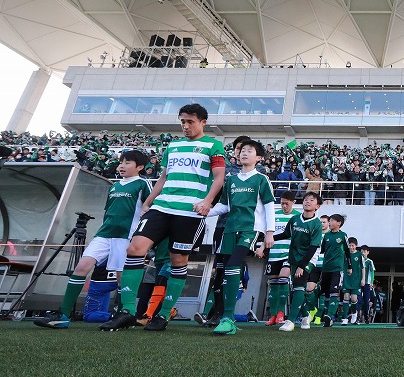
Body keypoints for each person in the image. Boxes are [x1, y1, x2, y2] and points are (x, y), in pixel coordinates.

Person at [100, 103, 226, 332]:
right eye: (182, 122)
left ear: (203, 122)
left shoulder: (214, 145)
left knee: (178, 261)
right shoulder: (173, 146)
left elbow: (219, 178)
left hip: (189, 212)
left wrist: (207, 202)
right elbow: (163, 178)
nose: (185, 126)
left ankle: (165, 313)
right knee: (135, 249)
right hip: (162, 207)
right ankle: (127, 311)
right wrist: (148, 202)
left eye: (190, 122)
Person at [34, 150, 152, 329]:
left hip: (126, 236)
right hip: (104, 234)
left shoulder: (142, 184)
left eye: (127, 163)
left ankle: (123, 315)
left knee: (121, 277)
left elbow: (149, 209)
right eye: (121, 162)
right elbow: (108, 211)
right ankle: (64, 314)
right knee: (82, 267)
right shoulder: (114, 186)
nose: (122, 166)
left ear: (140, 167)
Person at [204, 139, 275, 335]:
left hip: (250, 229)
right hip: (229, 229)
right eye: (242, 150)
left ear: (259, 157)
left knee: (235, 264)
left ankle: (227, 318)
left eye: (249, 151)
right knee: (227, 271)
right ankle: (228, 317)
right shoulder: (231, 181)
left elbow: (269, 205)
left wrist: (269, 232)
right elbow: (224, 206)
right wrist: (204, 210)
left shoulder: (261, 179)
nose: (244, 153)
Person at [271, 191, 323, 332]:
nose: (307, 202)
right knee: (297, 288)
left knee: (299, 286)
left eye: (311, 200)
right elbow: (286, 234)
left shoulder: (316, 224)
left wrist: (302, 265)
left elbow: (313, 247)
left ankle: (291, 321)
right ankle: (306, 315)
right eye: (306, 199)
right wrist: (269, 239)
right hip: (293, 257)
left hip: (308, 259)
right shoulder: (294, 219)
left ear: (317, 206)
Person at [257, 190, 300, 326]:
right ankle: (274, 315)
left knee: (283, 279)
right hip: (273, 255)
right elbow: (267, 234)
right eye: (282, 203)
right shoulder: (274, 216)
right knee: (273, 283)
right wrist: (262, 248)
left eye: (286, 204)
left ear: (293, 202)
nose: (284, 206)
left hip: (288, 254)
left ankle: (282, 312)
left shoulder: (297, 217)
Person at [319, 213, 352, 327]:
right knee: (326, 293)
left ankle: (330, 315)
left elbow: (348, 252)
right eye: (330, 220)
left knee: (334, 291)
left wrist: (349, 266)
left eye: (332, 220)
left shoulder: (343, 236)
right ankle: (329, 317)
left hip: (337, 269)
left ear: (339, 223)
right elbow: (321, 250)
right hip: (325, 268)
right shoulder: (326, 236)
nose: (330, 222)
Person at [341, 237, 365, 325]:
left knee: (354, 298)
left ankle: (354, 314)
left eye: (353, 246)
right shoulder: (345, 254)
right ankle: (344, 318)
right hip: (346, 279)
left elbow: (363, 268)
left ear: (356, 246)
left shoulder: (359, 255)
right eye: (349, 245)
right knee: (346, 297)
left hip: (356, 280)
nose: (351, 247)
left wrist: (363, 279)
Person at [360, 245, 375, 324]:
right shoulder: (358, 260)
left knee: (366, 301)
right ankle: (357, 317)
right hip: (358, 284)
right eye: (361, 251)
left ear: (368, 252)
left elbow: (372, 272)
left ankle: (366, 317)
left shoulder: (369, 261)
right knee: (357, 300)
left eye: (364, 251)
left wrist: (371, 282)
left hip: (367, 284)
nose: (363, 253)